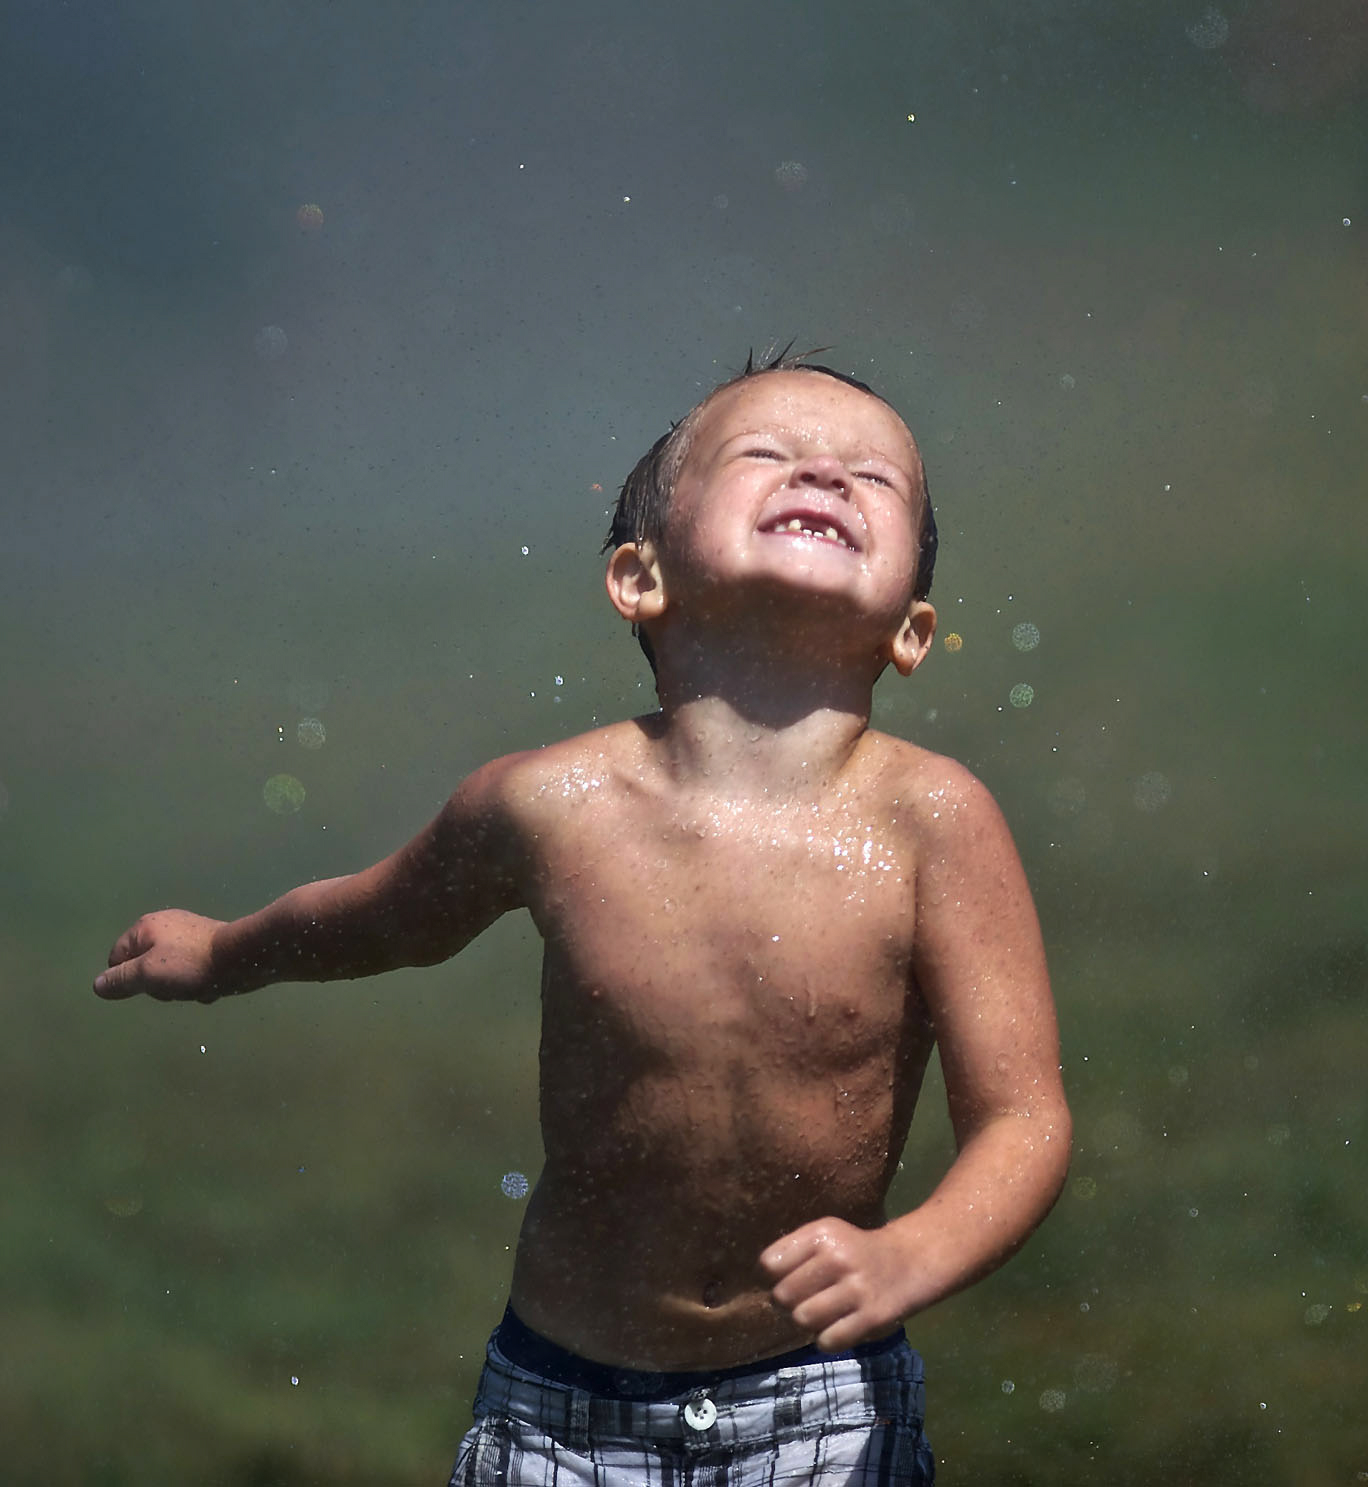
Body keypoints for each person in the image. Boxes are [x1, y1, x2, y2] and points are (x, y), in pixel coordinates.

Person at [94, 348, 1071, 1484]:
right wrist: (223, 949)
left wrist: (912, 1254)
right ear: (637, 575)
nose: (824, 473)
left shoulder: (935, 824)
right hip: (561, 1411)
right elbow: (378, 918)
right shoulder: (549, 805)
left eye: (872, 477)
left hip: (815, 1399)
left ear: (909, 628)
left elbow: (1023, 1118)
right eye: (766, 454)